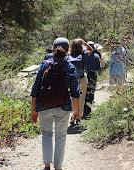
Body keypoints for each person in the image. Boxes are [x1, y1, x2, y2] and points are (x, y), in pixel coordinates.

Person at [30, 37, 80, 170]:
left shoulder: (44, 64)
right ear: (68, 49)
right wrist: (76, 110)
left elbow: (35, 88)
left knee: (46, 134)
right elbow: (75, 90)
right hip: (63, 106)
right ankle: (58, 167)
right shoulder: (69, 66)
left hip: (43, 105)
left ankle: (47, 165)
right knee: (61, 137)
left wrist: (33, 110)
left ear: (53, 48)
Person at [67, 38, 93, 120]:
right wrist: (84, 42)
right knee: (81, 99)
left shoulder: (68, 55)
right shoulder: (84, 54)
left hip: (71, 80)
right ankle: (78, 116)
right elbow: (91, 49)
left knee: (72, 98)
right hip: (82, 78)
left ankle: (73, 115)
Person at [84, 41, 102, 117]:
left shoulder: (83, 55)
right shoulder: (96, 56)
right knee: (91, 91)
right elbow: (98, 67)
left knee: (84, 91)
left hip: (83, 75)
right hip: (92, 75)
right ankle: (88, 111)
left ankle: (84, 109)